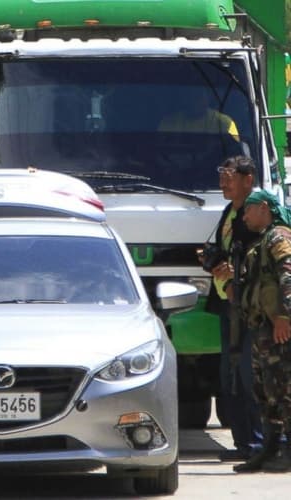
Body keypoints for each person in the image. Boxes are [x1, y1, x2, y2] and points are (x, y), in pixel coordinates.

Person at [205, 156, 263, 462]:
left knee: (249, 375)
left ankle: (259, 443)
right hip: (228, 304)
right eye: (222, 174)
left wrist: (235, 275)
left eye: (229, 175)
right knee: (230, 376)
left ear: (248, 179)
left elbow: (261, 261)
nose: (223, 181)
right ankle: (243, 444)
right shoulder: (228, 212)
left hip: (249, 307)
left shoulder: (257, 214)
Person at [235, 190, 291, 473]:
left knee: (285, 389)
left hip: (279, 328)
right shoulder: (263, 239)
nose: (244, 217)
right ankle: (270, 447)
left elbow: (288, 275)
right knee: (266, 390)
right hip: (263, 328)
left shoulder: (279, 237)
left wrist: (285, 316)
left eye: (249, 210)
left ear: (264, 208)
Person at [158, 90, 240, 141]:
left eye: (198, 97)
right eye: (190, 96)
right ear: (184, 98)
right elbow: (159, 149)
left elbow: (237, 152)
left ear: (208, 98)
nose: (194, 102)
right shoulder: (168, 122)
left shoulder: (225, 122)